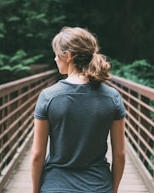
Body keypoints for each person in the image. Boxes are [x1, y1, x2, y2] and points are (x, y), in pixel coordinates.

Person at [31, 26, 127, 193]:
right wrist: (113, 189)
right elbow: (120, 155)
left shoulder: (48, 96)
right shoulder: (112, 97)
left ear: (68, 56)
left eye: (56, 54)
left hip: (56, 187)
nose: (55, 59)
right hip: (98, 186)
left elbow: (37, 155)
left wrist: (34, 191)